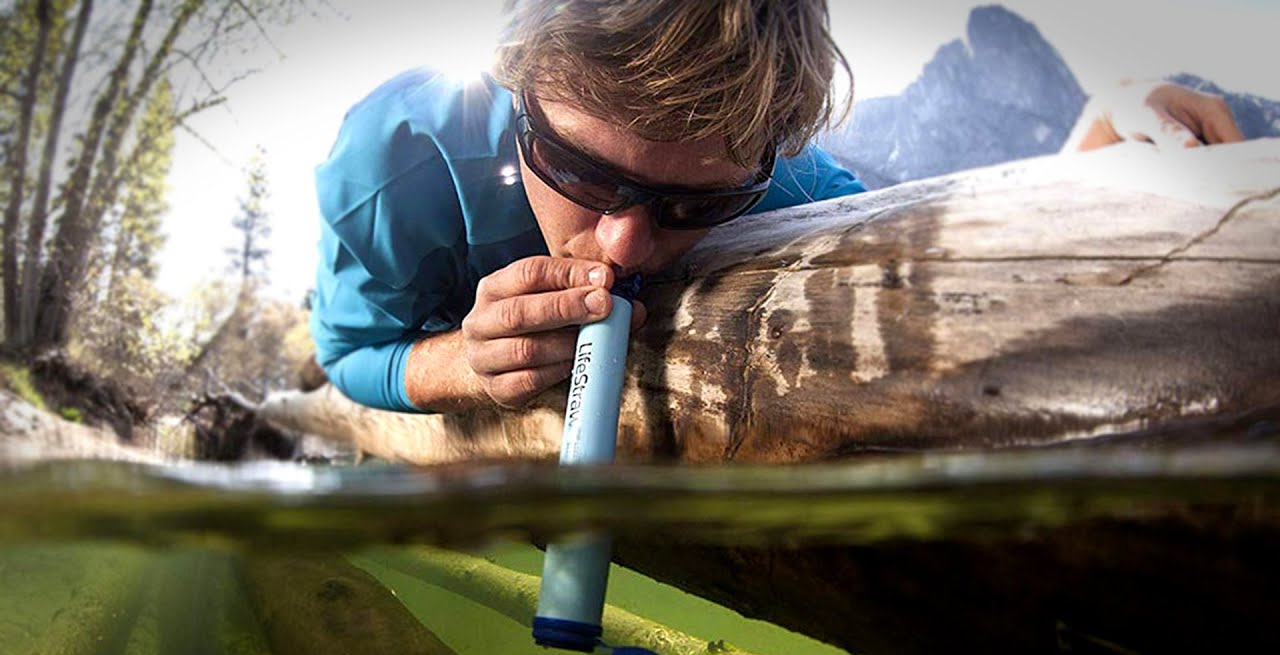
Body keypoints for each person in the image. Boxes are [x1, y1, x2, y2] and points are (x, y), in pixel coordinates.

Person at [310, 0, 1244, 415]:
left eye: (695, 204)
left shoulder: (779, 175)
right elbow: (350, 354)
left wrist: (1082, 162)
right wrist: (462, 370)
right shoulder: (397, 158)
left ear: (763, 161)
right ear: (514, 87)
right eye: (580, 171)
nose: (627, 241)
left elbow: (918, 240)